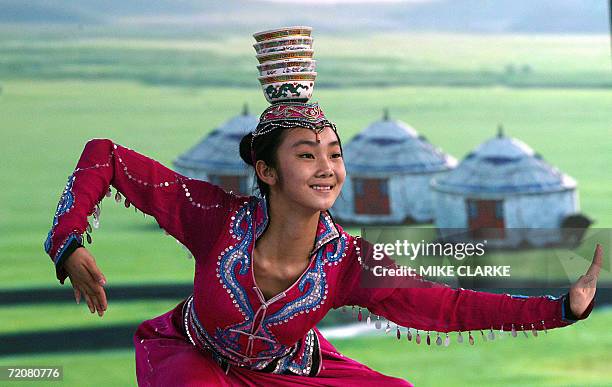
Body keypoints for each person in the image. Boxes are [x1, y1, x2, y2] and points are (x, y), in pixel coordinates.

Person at [43, 101, 601, 386]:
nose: (327, 168)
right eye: (307, 154)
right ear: (265, 169)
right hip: (196, 361)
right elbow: (106, 155)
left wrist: (559, 308)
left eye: (334, 154)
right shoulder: (214, 218)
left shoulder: (351, 263)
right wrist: (69, 241)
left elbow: (448, 305)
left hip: (289, 373)